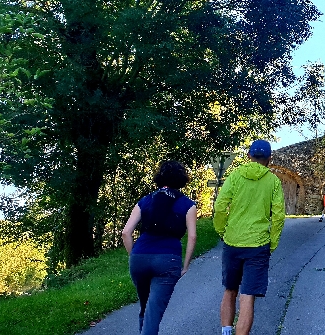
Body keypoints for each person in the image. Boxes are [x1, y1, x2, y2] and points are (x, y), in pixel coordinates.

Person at [214, 139, 285, 335]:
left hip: (232, 241)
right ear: (269, 159)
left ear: (249, 156)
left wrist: (222, 230)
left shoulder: (235, 176)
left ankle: (226, 331)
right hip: (258, 244)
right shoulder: (273, 181)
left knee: (229, 289)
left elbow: (220, 206)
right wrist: (272, 242)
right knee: (247, 296)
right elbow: (278, 215)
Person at [121, 160, 197, 335]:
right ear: (182, 179)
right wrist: (185, 266)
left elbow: (126, 232)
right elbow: (192, 237)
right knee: (153, 313)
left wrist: (134, 256)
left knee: (145, 308)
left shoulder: (146, 200)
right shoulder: (188, 205)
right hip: (168, 260)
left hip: (139, 257)